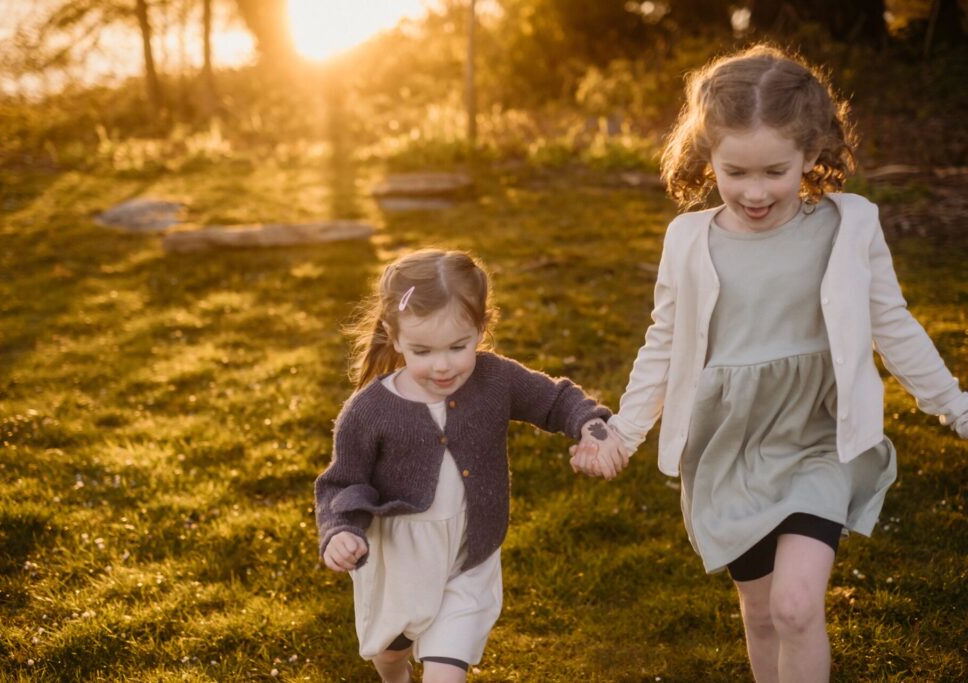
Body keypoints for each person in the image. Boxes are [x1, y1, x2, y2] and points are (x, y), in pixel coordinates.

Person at [572, 44, 968, 681]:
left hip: (817, 436)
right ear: (709, 158)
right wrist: (623, 431)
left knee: (795, 607)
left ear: (811, 153)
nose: (755, 193)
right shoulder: (688, 240)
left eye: (775, 172)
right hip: (729, 443)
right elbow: (664, 344)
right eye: (736, 173)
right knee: (759, 613)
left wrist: (956, 406)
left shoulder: (850, 226)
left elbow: (893, 326)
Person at [315, 249, 611, 683]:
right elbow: (342, 482)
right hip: (399, 560)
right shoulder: (368, 411)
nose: (442, 365)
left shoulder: (495, 380)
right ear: (393, 337)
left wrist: (589, 424)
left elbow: (554, 399)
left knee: (444, 672)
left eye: (458, 346)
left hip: (469, 553)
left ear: (481, 329)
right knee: (391, 655)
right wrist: (340, 530)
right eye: (422, 350)